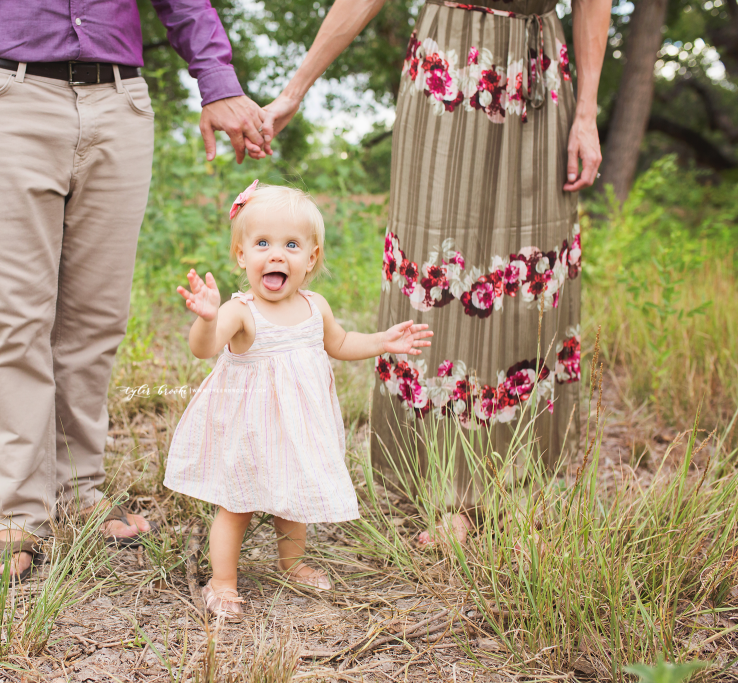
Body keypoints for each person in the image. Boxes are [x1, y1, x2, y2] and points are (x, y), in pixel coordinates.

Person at [0, 0, 272, 584]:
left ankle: (82, 492)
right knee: (16, 317)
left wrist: (218, 81)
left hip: (120, 100)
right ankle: (21, 513)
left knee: (97, 315)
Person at [258, 0, 611, 546]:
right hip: (451, 58)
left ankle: (517, 482)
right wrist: (295, 90)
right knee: (442, 260)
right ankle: (446, 489)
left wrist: (586, 112)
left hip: (540, 70)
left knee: (533, 262)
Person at [166, 182, 433, 619]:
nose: (276, 255)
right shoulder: (240, 311)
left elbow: (341, 342)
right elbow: (204, 348)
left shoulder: (315, 306)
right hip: (248, 428)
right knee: (236, 505)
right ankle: (223, 581)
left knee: (295, 495)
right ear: (241, 255)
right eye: (262, 243)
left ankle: (291, 563)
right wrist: (207, 318)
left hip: (297, 426)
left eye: (291, 244)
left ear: (310, 258)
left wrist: (383, 341)